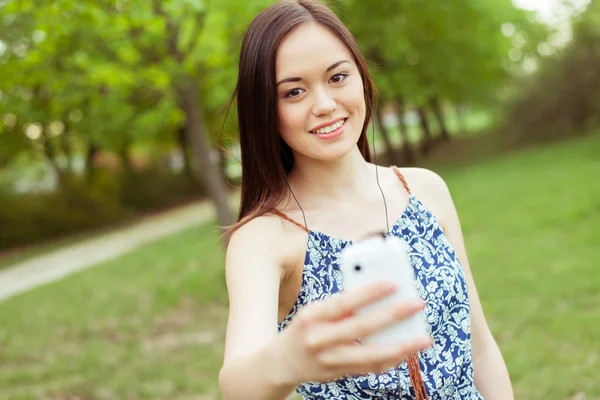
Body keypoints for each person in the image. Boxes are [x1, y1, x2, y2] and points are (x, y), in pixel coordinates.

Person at [218, 1, 514, 399]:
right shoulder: (265, 237)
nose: (323, 104)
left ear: (361, 77)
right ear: (266, 110)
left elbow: (480, 345)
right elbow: (237, 384)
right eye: (293, 91)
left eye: (337, 77)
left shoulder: (424, 189)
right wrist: (284, 361)